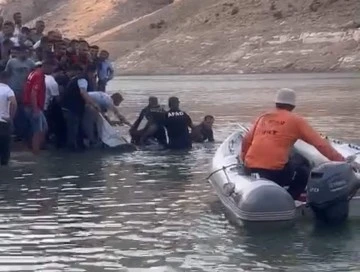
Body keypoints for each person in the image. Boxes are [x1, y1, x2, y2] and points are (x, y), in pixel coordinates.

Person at [240, 88, 346, 200]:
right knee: (304, 166)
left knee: (290, 158)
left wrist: (244, 161)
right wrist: (342, 161)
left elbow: (246, 141)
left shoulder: (262, 118)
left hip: (251, 169)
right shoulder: (296, 121)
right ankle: (291, 197)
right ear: (293, 106)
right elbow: (320, 144)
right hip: (275, 173)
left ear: (276, 103)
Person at [61, 64, 100, 151]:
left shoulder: (79, 78)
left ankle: (77, 147)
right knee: (73, 129)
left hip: (72, 107)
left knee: (76, 128)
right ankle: (72, 149)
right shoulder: (82, 79)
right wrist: (94, 104)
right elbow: (83, 92)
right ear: (92, 72)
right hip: (71, 108)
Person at [22, 58, 56, 154]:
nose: (52, 71)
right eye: (52, 69)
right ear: (47, 66)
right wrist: (35, 109)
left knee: (44, 128)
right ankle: (36, 153)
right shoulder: (39, 75)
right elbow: (34, 92)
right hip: (33, 106)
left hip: (31, 105)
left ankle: (36, 149)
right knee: (37, 130)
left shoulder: (33, 73)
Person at [0, 71, 17, 165]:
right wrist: (11, 118)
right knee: (4, 151)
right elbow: (14, 103)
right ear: (7, 79)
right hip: (3, 122)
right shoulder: (8, 90)